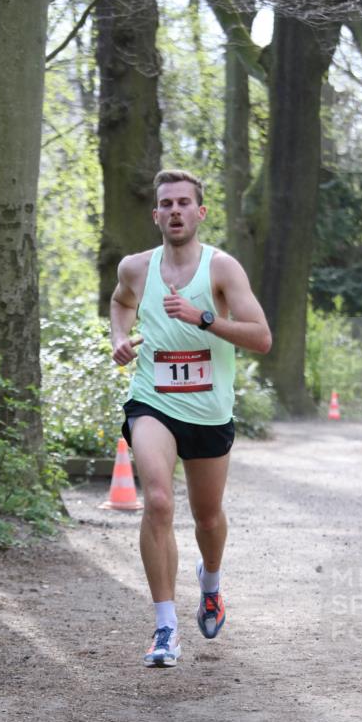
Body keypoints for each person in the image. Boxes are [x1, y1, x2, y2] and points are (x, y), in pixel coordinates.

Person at [110, 169, 272, 667]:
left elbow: (262, 337)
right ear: (156, 214)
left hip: (209, 410)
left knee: (207, 518)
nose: (175, 210)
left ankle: (211, 584)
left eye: (184, 203)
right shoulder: (136, 268)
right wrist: (119, 336)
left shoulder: (222, 270)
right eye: (167, 204)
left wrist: (203, 318)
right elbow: (120, 304)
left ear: (200, 213)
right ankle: (164, 628)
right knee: (157, 500)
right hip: (153, 402)